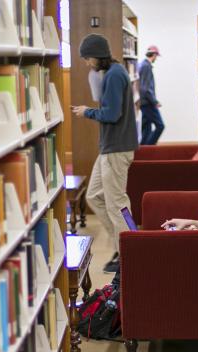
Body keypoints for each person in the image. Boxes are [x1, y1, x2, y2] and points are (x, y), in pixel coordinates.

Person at [72, 34, 139, 273]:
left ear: (98, 56)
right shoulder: (113, 74)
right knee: (94, 196)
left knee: (117, 204)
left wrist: (87, 112)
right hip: (110, 148)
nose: (87, 64)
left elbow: (111, 114)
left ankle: (132, 252)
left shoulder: (114, 75)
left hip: (116, 150)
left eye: (88, 58)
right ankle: (124, 245)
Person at [138, 45, 164, 145]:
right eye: (156, 56)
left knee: (146, 128)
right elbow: (145, 88)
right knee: (160, 126)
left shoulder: (143, 65)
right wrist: (155, 101)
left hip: (144, 102)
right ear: (153, 55)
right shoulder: (146, 66)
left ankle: (143, 150)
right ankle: (149, 148)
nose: (156, 58)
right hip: (148, 103)